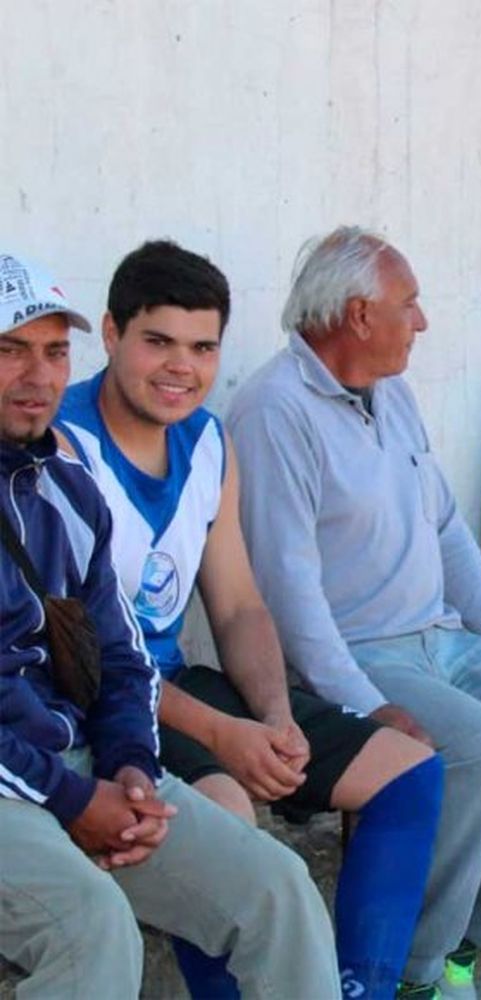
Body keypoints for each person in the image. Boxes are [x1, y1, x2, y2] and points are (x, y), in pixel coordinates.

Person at [225, 227, 481, 999]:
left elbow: (447, 531)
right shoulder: (274, 410)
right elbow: (286, 593)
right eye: (411, 305)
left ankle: (451, 948)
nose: (424, 322)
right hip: (363, 651)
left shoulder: (392, 393)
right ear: (359, 315)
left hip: (446, 640)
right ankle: (413, 975)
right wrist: (368, 706)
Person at [56, 240, 444, 998]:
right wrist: (225, 734)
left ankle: (361, 987)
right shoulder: (66, 449)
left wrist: (272, 715)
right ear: (110, 335)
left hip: (182, 684)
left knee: (408, 771)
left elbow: (236, 604)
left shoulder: (208, 440)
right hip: (103, 705)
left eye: (203, 347)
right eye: (157, 342)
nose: (182, 367)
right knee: (230, 817)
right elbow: (90, 659)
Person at [0, 252, 341, 998]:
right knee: (88, 927)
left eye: (55, 352)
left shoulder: (64, 486)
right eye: (10, 351)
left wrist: (130, 766)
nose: (38, 376)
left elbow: (118, 657)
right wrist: (73, 799)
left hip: (79, 763)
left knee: (276, 890)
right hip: (18, 784)